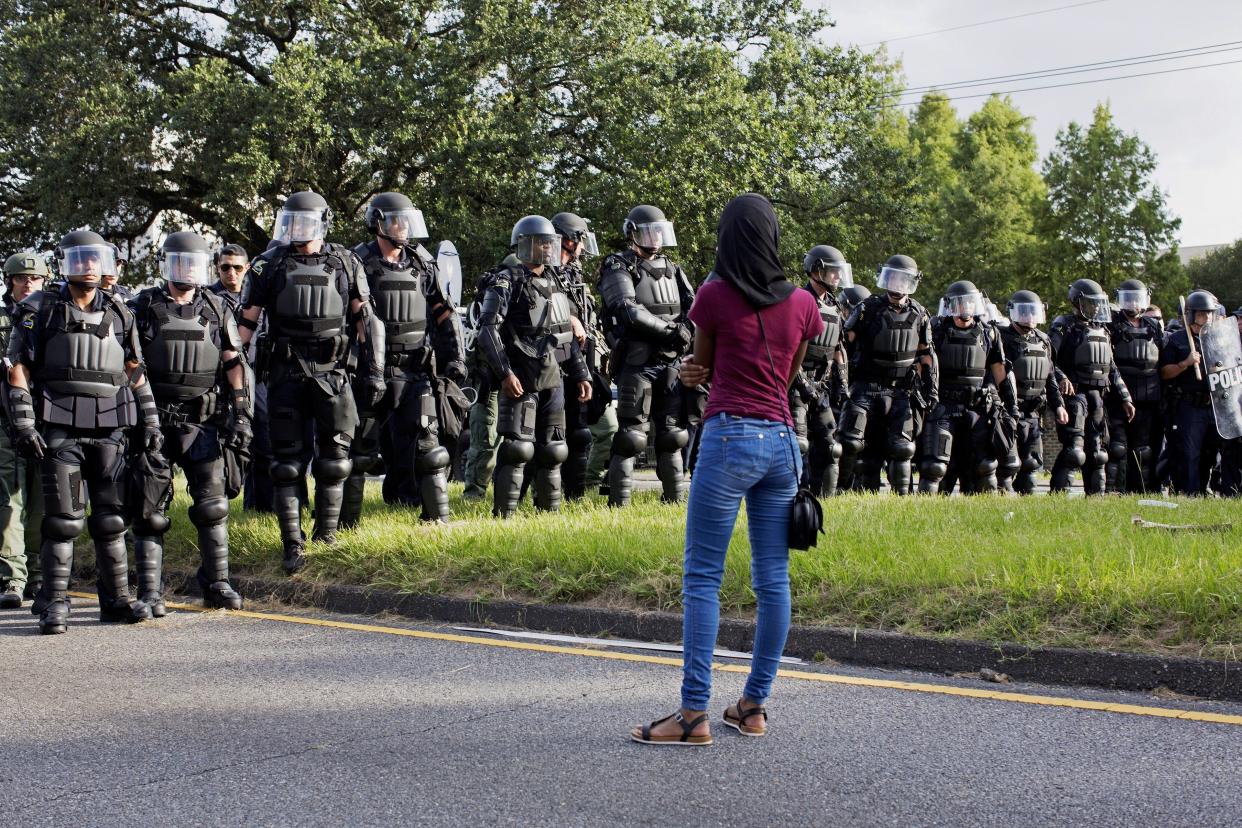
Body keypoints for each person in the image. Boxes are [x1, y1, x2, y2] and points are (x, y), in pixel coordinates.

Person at [630, 193, 821, 746]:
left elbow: (704, 366)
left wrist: (693, 376)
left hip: (729, 437)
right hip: (783, 445)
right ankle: (754, 706)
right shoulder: (805, 303)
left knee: (703, 578)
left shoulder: (713, 296)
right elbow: (786, 375)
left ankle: (693, 716)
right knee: (773, 579)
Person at [6, 230, 158, 633]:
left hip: (110, 427)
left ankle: (118, 600)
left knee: (111, 519)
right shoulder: (40, 308)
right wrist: (23, 421)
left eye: (96, 259)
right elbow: (17, 367)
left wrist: (151, 420)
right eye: (81, 258)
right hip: (60, 426)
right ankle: (54, 603)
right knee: (64, 520)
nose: (89, 266)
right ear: (66, 263)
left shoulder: (121, 311)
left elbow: (134, 371)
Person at [238, 190, 383, 573]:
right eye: (292, 221)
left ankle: (327, 534)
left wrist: (375, 372)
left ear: (321, 222)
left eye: (305, 221)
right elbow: (245, 326)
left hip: (333, 373)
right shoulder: (266, 264)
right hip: (285, 374)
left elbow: (365, 322)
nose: (298, 229)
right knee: (286, 464)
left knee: (336, 459)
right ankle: (292, 543)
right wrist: (232, 378)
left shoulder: (345, 262)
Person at [128, 231, 247, 613]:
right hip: (155, 423)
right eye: (179, 263)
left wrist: (242, 411)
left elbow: (232, 361)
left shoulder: (215, 306)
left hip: (204, 422)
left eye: (192, 263)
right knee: (150, 512)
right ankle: (150, 592)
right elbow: (130, 365)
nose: (186, 271)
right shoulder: (143, 306)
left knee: (213, 507)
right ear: (166, 265)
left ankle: (217, 583)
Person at [344, 191, 464, 524]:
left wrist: (456, 357)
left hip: (414, 370)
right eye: (397, 221)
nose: (404, 228)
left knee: (429, 446)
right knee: (361, 451)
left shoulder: (422, 262)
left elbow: (444, 311)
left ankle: (436, 519)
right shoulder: (359, 262)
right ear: (378, 223)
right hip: (370, 371)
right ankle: (345, 525)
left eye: (407, 221)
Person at [474, 216, 591, 518]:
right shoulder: (505, 280)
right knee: (517, 449)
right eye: (539, 242)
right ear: (524, 244)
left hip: (552, 375)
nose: (545, 248)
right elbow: (487, 331)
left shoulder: (555, 281)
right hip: (519, 375)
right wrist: (504, 373)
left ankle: (548, 515)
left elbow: (564, 333)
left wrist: (580, 374)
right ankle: (504, 516)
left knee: (554, 449)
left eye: (548, 242)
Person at [599, 204, 696, 507]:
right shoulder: (618, 265)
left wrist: (687, 330)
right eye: (648, 231)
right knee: (632, 436)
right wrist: (672, 331)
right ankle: (619, 505)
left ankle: (674, 501)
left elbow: (696, 306)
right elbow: (627, 309)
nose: (654, 238)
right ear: (632, 233)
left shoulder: (673, 267)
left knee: (672, 435)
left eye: (658, 231)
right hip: (637, 362)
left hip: (670, 362)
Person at [836, 255, 936, 495]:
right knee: (851, 442)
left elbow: (926, 354)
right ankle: (840, 491)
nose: (897, 285)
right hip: (866, 388)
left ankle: (901, 499)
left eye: (903, 280)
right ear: (885, 278)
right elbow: (842, 345)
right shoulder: (867, 308)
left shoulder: (921, 314)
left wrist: (930, 387)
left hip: (901, 391)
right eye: (893, 278)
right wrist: (840, 382)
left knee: (902, 448)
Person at [918, 281, 1011, 494]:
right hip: (943, 405)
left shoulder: (989, 333)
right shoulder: (936, 330)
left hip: (976, 407)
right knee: (935, 467)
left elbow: (999, 370)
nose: (965, 308)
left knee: (984, 467)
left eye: (969, 302)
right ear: (951, 306)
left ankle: (983, 514)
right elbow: (922, 364)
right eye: (960, 303)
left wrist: (1009, 405)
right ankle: (925, 513)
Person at [550, 212, 616, 499]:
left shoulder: (574, 274)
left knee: (580, 433)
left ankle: (574, 496)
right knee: (546, 438)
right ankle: (535, 498)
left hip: (579, 359)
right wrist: (569, 318)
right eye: (580, 240)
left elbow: (589, 319)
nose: (582, 248)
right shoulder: (537, 269)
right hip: (550, 361)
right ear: (567, 239)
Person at [1048, 279, 1134, 494]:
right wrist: (1061, 377)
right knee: (1074, 451)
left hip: (1098, 397)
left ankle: (1096, 499)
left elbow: (1111, 367)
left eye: (1097, 304)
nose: (1095, 307)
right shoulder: (1064, 325)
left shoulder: (1103, 330)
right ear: (1078, 302)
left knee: (1097, 453)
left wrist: (1125, 397)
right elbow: (1048, 359)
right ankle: (1058, 497)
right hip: (1075, 395)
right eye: (1090, 303)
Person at [0, 252, 46, 607]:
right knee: (10, 501)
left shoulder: (52, 313)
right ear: (9, 281)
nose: (28, 283)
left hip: (46, 417)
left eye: (34, 279)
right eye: (21, 278)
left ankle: (41, 573)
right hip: (5, 420)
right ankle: (12, 578)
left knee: (44, 496)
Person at [790, 245, 849, 496]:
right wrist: (803, 385)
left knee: (832, 447)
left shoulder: (834, 306)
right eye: (833, 271)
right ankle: (795, 496)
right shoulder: (797, 301)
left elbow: (838, 348)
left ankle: (827, 501)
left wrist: (843, 383)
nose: (837, 276)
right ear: (816, 270)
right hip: (796, 385)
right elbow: (789, 350)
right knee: (798, 444)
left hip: (821, 386)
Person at [997, 290, 1068, 493]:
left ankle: (1025, 502)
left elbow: (1050, 377)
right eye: (1024, 312)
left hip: (1033, 412)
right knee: (1007, 463)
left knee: (1031, 464)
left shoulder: (1043, 340)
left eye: (1033, 312)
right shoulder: (1002, 338)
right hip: (1008, 411)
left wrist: (1059, 406)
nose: (1029, 317)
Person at [1159, 290, 1222, 495]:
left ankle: (1204, 489)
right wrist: (1185, 363)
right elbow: (1165, 372)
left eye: (1210, 313)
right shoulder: (1177, 339)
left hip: (1213, 404)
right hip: (1189, 406)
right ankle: (1188, 493)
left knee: (1209, 452)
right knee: (1189, 453)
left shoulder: (1217, 339)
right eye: (1202, 314)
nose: (1207, 318)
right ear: (1192, 314)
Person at [1107, 279, 1164, 493]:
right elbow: (1108, 362)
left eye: (1137, 299)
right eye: (1128, 299)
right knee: (1117, 448)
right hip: (1119, 396)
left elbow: (1162, 359)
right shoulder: (1111, 325)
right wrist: (1122, 396)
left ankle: (1141, 490)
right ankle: (1113, 492)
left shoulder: (1153, 326)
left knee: (1143, 450)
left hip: (1149, 396)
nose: (1133, 304)